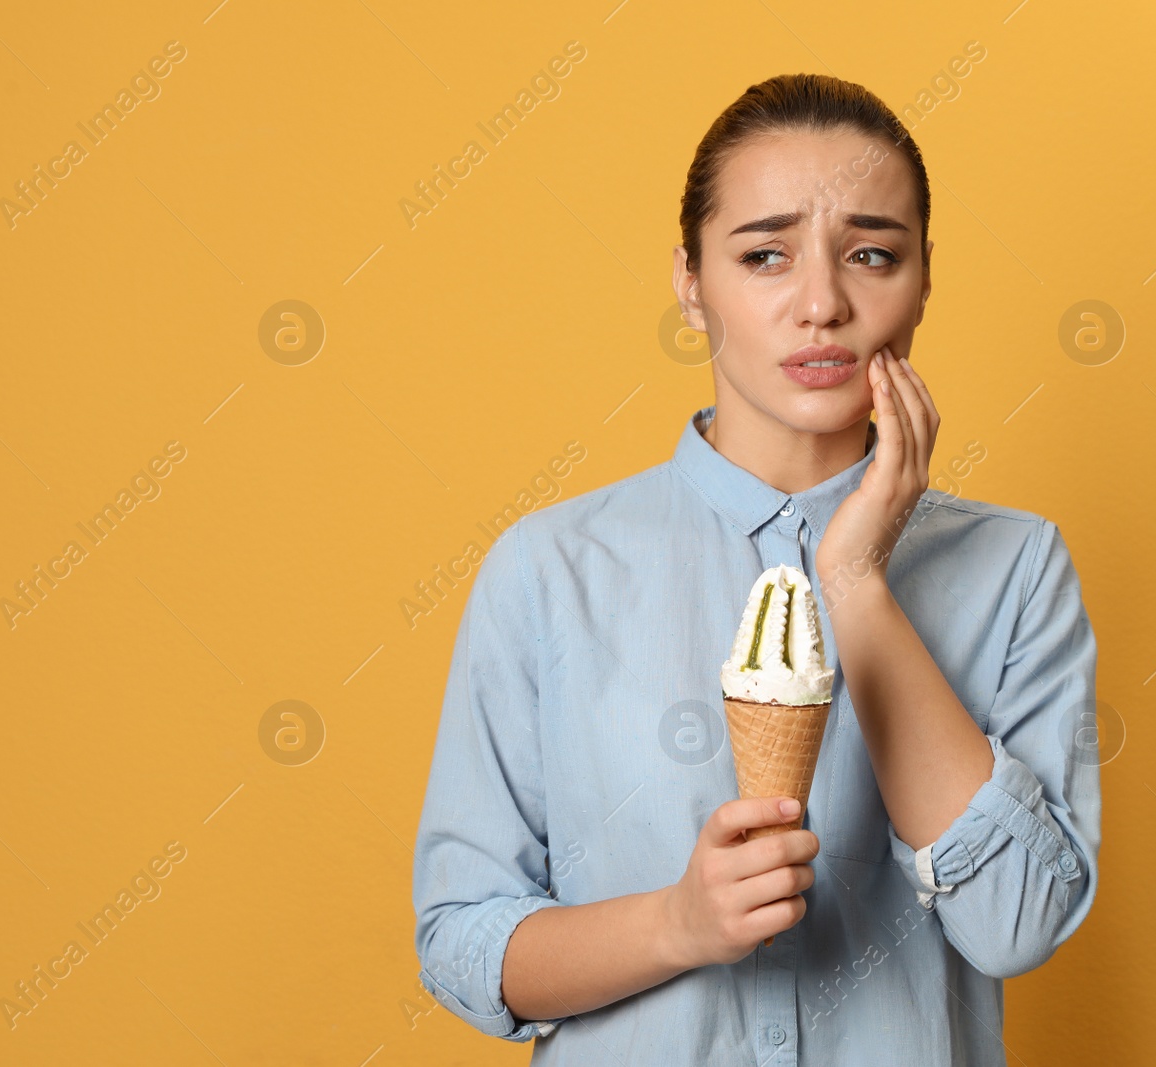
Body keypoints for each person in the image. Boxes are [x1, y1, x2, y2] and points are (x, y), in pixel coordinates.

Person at [411, 72, 1100, 1066]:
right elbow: (464, 939)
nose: (821, 303)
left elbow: (1016, 922)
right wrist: (677, 923)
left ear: (924, 276)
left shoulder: (1013, 566)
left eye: (871, 253)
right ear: (690, 281)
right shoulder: (549, 569)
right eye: (764, 255)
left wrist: (858, 580)